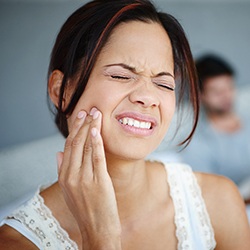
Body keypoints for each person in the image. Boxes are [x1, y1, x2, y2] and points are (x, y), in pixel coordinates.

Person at [0, 1, 250, 249]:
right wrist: (101, 237)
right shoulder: (16, 243)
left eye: (163, 84)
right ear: (61, 91)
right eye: (120, 75)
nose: (148, 97)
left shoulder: (218, 201)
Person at [179, 54, 250, 202]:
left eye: (229, 88)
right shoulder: (198, 143)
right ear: (200, 95)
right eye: (217, 92)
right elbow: (209, 196)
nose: (226, 96)